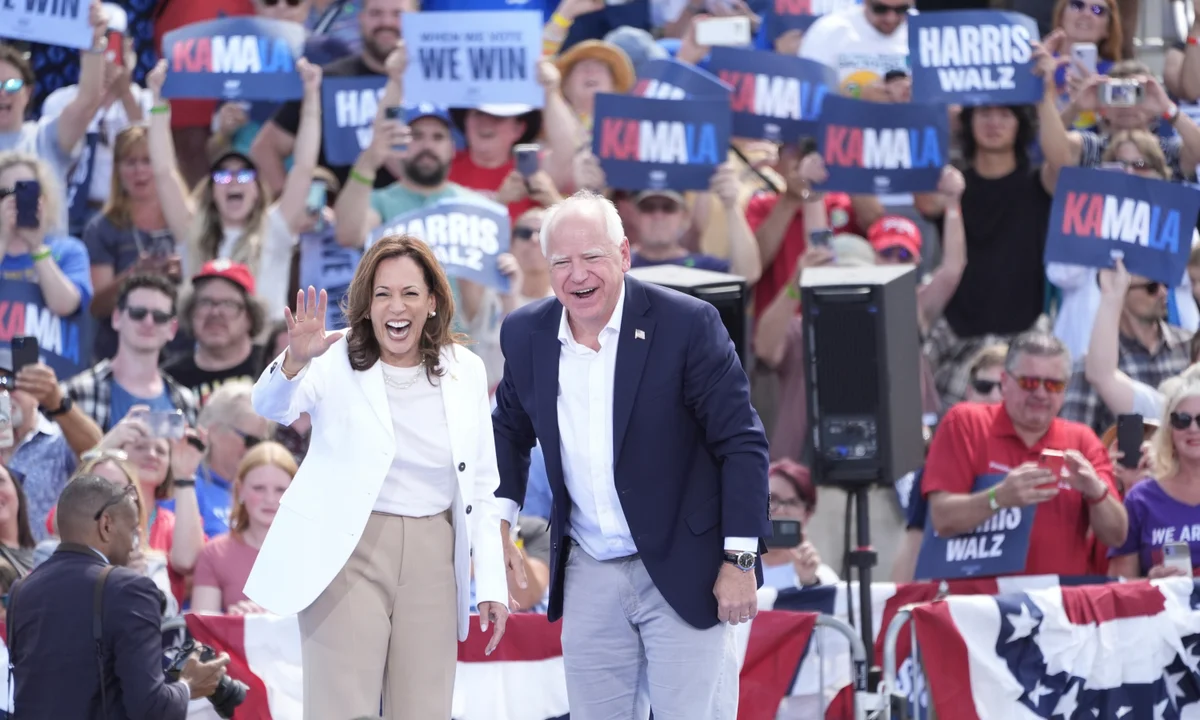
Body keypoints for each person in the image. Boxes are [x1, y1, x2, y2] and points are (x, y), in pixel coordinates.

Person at [491, 190, 771, 718]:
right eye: (562, 262)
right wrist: (498, 527)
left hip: (686, 565)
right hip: (590, 567)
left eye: (592, 257)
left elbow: (742, 443)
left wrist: (740, 558)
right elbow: (507, 431)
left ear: (623, 255)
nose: (578, 275)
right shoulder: (525, 332)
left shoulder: (689, 325)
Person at [243, 235, 509, 719]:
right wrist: (296, 360)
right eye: (383, 294)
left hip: (434, 553)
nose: (396, 306)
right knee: (341, 710)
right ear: (366, 304)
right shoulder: (331, 354)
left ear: (433, 301)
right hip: (346, 549)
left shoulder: (465, 369)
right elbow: (270, 407)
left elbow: (484, 487)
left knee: (425, 711)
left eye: (410, 293)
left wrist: (490, 583)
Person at [7, 475, 230, 719]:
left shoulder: (22, 590)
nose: (134, 544)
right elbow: (151, 709)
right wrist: (189, 686)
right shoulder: (129, 588)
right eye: (133, 530)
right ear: (106, 525)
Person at [923, 330, 1128, 578]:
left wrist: (1097, 493)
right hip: (979, 606)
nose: (1041, 393)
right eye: (1029, 382)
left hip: (1057, 604)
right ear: (1005, 382)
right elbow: (942, 518)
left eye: (1053, 385)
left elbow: (1117, 536)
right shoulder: (966, 422)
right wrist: (998, 497)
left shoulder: (1082, 441)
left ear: (1065, 390)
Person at [191, 441, 296, 615]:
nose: (270, 499)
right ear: (240, 490)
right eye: (259, 488)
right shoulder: (215, 554)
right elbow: (202, 635)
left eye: (280, 490)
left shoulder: (313, 555)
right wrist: (234, 623)